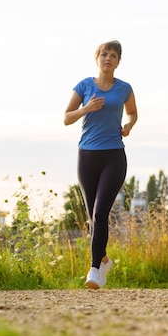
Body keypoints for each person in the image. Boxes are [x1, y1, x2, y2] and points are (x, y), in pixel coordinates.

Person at [63, 40, 138, 289]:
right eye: (104, 54)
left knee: (100, 213)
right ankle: (104, 259)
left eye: (113, 55)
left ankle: (94, 270)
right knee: (92, 220)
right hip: (87, 157)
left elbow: (133, 113)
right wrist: (86, 109)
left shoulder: (124, 88)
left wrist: (128, 126)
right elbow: (66, 118)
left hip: (114, 156)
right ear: (97, 58)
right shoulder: (84, 86)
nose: (108, 58)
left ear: (118, 61)